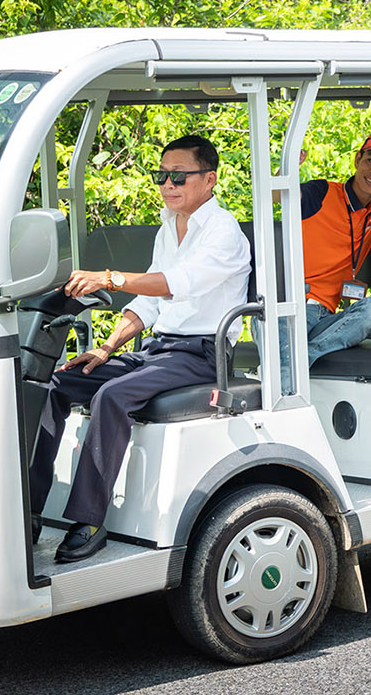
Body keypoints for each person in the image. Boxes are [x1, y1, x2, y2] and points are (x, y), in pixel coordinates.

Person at [27, 134, 251, 564]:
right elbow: (150, 302)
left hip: (202, 355)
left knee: (112, 396)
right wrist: (107, 347)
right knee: (57, 383)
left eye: (179, 176)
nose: (168, 184)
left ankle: (89, 521)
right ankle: (32, 510)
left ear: (210, 180)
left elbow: (174, 285)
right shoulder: (170, 227)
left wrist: (109, 277)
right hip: (160, 349)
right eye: (162, 175)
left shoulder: (224, 233)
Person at [286, 130, 371, 368]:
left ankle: (299, 360)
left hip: (327, 317)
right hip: (290, 305)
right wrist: (287, 169)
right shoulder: (323, 192)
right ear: (358, 160)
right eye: (370, 160)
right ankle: (296, 364)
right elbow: (278, 195)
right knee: (283, 351)